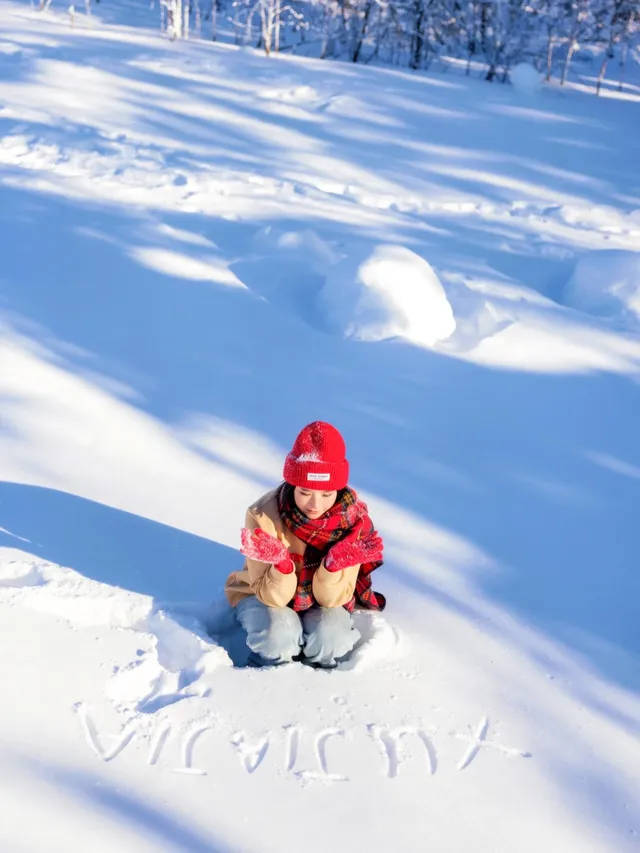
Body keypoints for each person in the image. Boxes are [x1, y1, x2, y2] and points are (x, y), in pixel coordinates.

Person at [224, 421, 386, 669]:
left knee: (331, 638)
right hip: (266, 594)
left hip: (321, 599)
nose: (315, 505)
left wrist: (331, 567)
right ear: (292, 484)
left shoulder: (353, 523)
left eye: (326, 494)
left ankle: (317, 683)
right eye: (305, 492)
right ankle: (265, 676)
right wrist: (282, 567)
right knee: (278, 637)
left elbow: (332, 600)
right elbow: (271, 597)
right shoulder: (262, 516)